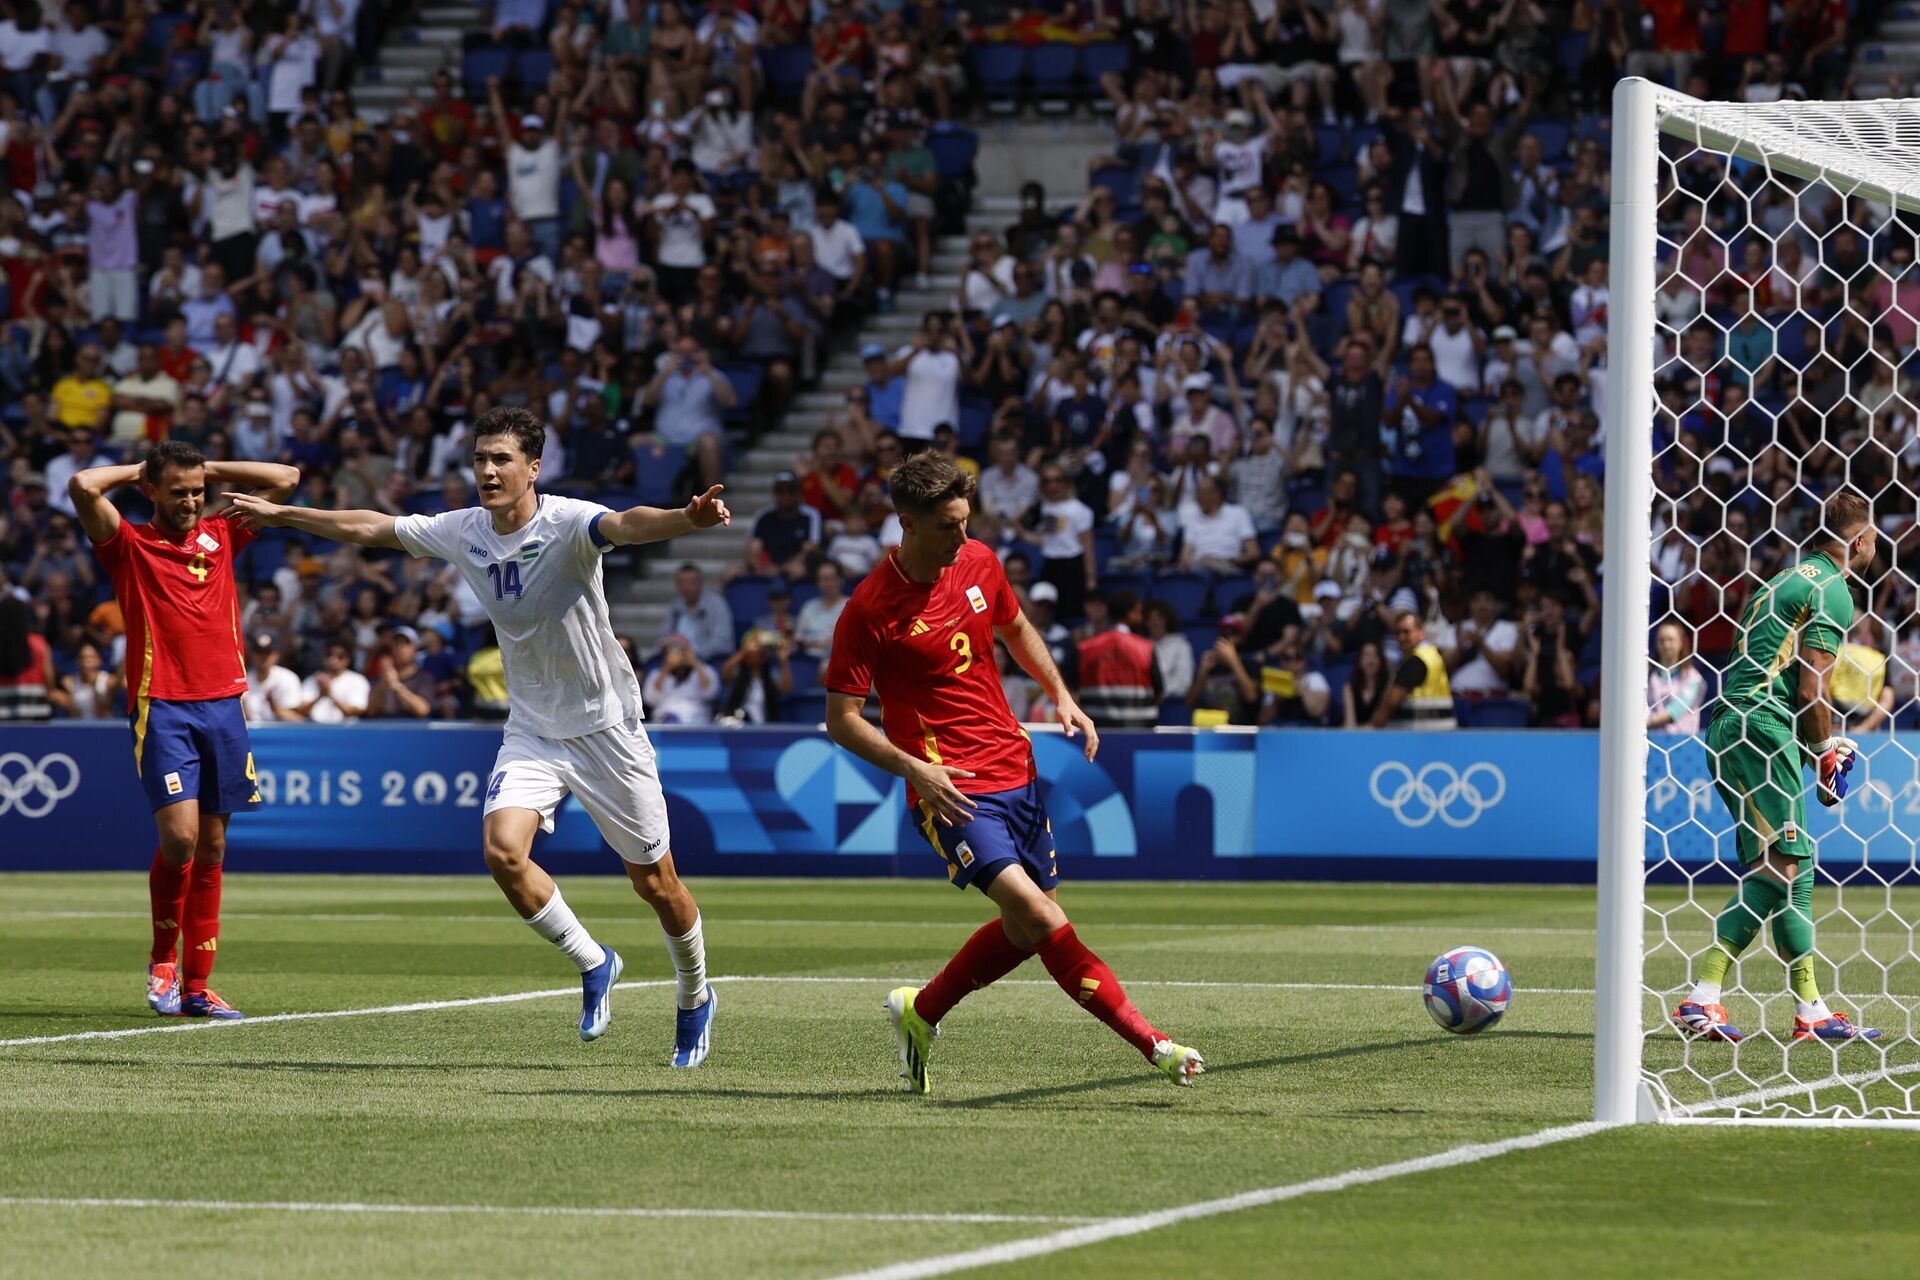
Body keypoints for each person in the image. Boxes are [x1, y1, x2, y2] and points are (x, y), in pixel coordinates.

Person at [231, 407, 730, 1063]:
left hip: (607, 729)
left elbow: (626, 524)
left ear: (533, 467)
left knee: (656, 883)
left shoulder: (568, 523)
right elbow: (372, 527)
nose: (488, 471)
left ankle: (695, 996)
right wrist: (284, 516)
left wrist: (684, 520)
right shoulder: (461, 530)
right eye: (480, 459)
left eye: (501, 459)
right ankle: (594, 959)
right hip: (532, 728)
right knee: (502, 850)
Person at [822, 452, 1203, 1093]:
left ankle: (922, 1011)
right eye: (948, 525)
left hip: (1016, 769)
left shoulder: (978, 561)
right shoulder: (869, 610)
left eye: (966, 521)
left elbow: (1017, 628)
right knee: (1043, 918)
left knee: (1026, 931)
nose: (963, 538)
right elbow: (841, 719)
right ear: (907, 524)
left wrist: (1061, 696)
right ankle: (1154, 1044)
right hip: (953, 792)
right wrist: (916, 770)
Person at [70, 442, 301, 1021]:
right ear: (151, 491)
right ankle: (162, 963)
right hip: (163, 705)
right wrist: (144, 470)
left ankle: (199, 987)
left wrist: (207, 469)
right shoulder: (128, 545)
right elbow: (82, 485)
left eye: (199, 491)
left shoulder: (222, 534)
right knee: (181, 840)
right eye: (179, 492)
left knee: (216, 844)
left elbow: (287, 477)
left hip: (224, 705)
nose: (193, 500)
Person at [1674, 491, 1881, 1044]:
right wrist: (1826, 748)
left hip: (1741, 725)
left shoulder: (1784, 580)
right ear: (1860, 540)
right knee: (1783, 870)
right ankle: (1702, 996)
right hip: (1760, 729)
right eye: (1874, 537)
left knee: (1796, 868)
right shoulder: (1832, 592)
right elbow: (1813, 689)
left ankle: (1811, 1010)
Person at [1074, 589, 1163, 729]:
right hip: (1140, 733)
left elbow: (1073, 691)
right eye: (1138, 610)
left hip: (1097, 734)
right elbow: (1159, 693)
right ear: (1130, 612)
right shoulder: (1146, 649)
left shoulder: (1085, 649)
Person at [1369, 610, 1457, 729]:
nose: (1401, 637)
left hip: (1418, 736)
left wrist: (1373, 726)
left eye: (1406, 632)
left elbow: (1393, 700)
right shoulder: (1432, 655)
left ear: (1421, 632)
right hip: (1441, 732)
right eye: (1397, 633)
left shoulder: (1416, 661)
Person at [1646, 621, 1707, 735]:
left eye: (1670, 640)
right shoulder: (1648, 675)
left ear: (1681, 642)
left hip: (1681, 742)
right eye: (1661, 640)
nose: (1666, 645)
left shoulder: (1693, 678)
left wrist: (1643, 723)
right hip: (1649, 741)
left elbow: (1676, 711)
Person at [240, 632, 306, 722]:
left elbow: (299, 719)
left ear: (276, 655)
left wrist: (274, 706)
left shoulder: (288, 678)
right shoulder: (243, 680)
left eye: (267, 653)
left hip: (282, 733)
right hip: (253, 733)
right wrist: (243, 707)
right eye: (259, 652)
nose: (263, 657)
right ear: (251, 654)